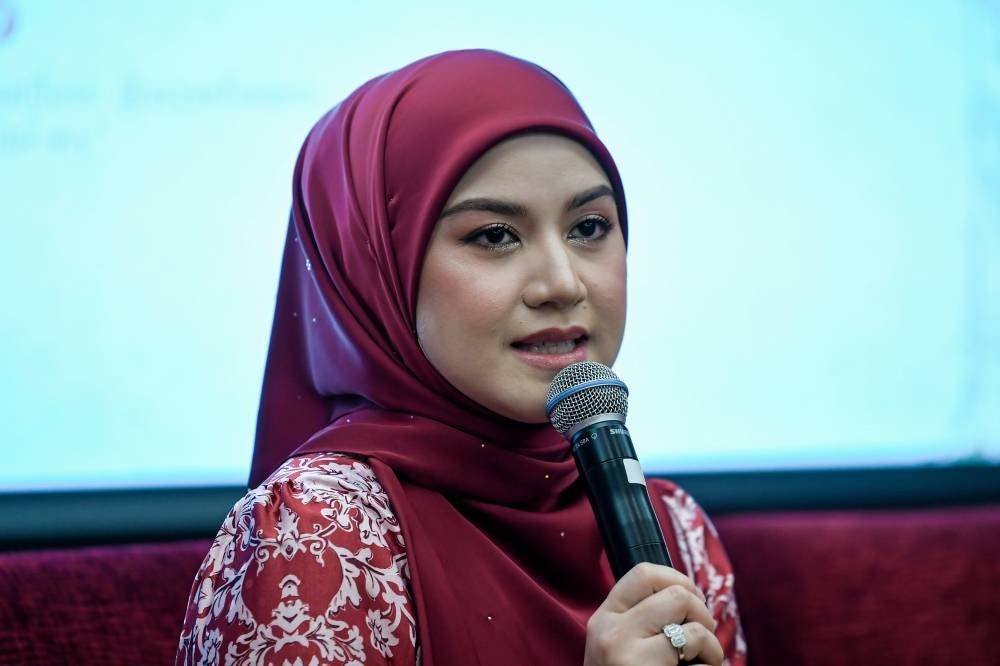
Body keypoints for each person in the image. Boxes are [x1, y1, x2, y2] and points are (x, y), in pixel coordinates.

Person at [177, 49, 747, 666]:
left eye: (589, 227)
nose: (562, 284)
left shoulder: (678, 532)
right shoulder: (321, 532)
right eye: (495, 235)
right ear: (377, 269)